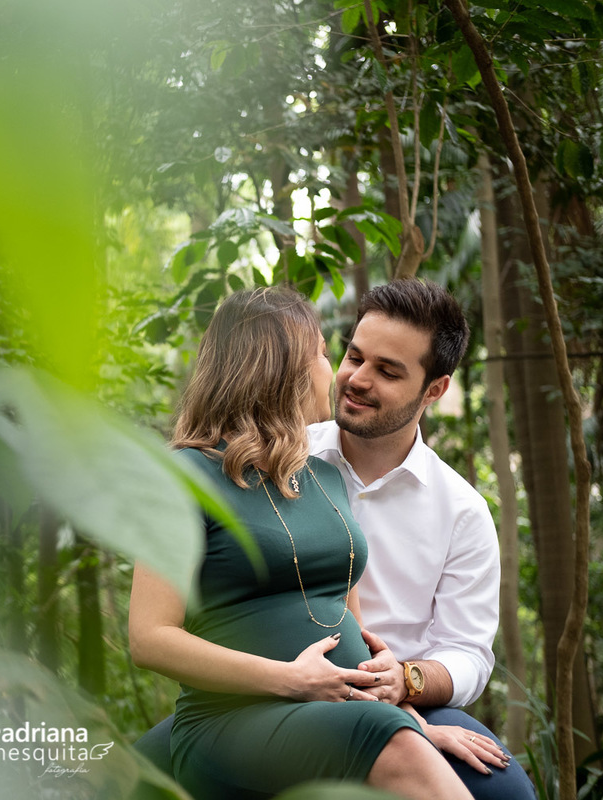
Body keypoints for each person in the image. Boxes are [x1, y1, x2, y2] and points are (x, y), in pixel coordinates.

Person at [133, 280, 535, 799]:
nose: (351, 378)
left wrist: (408, 697)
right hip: (263, 698)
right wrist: (295, 680)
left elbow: (404, 637)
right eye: (345, 356)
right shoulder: (254, 463)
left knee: (502, 787)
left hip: (366, 695)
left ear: (433, 390)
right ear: (280, 370)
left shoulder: (443, 507)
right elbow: (149, 635)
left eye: (388, 370)